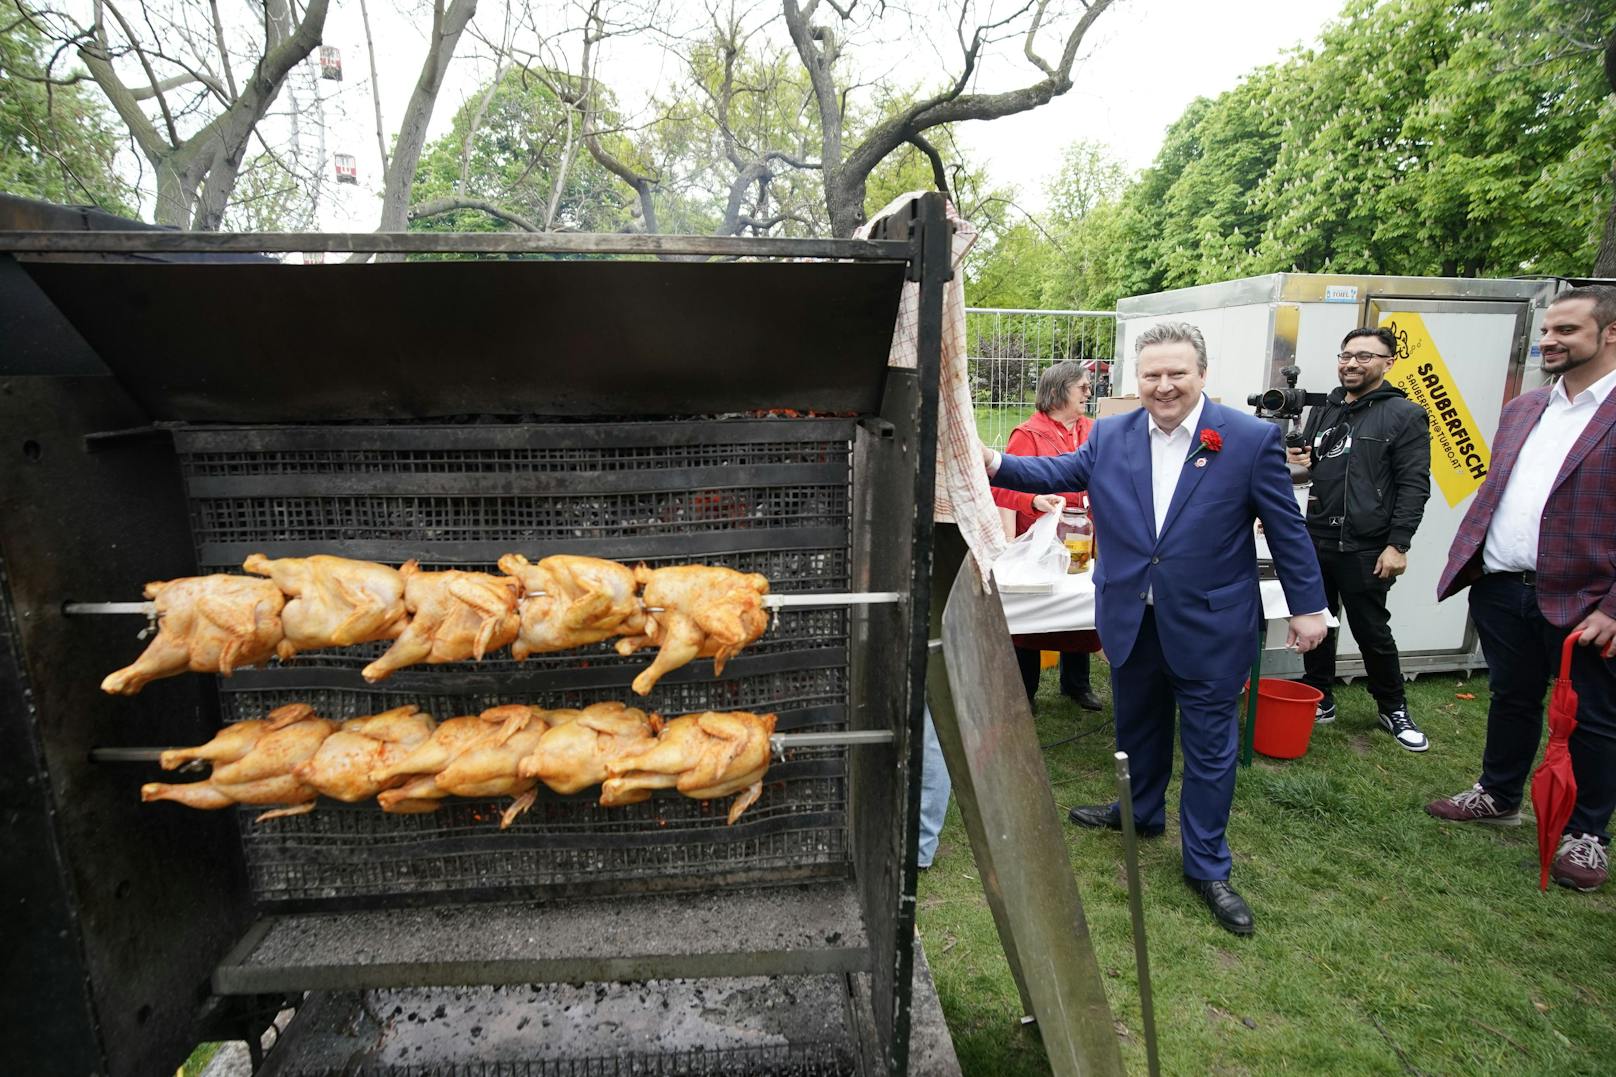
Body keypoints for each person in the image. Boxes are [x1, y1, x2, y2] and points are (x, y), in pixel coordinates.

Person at [982, 321, 1327, 935]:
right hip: (1129, 617)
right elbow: (1053, 475)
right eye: (1151, 375)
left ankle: (1206, 865)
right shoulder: (1110, 435)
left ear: (1202, 374)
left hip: (1211, 625)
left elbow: (1286, 527)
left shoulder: (1247, 439)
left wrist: (1308, 607)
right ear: (1135, 379)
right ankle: (1140, 812)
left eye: (1177, 374)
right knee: (1136, 724)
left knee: (1210, 749)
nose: (1164, 386)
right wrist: (992, 461)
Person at [1427, 285, 1616, 892]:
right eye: (1547, 329)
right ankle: (1500, 793)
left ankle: (1587, 834)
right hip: (1505, 587)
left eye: (1567, 331)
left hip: (1587, 598)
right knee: (1511, 697)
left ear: (1609, 335)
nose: (1549, 340)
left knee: (1592, 718)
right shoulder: (1525, 408)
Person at [1286, 327, 1432, 751]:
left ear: (1388, 363)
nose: (1351, 363)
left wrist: (1398, 544)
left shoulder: (1404, 414)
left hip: (1367, 545)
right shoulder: (1326, 410)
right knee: (1318, 623)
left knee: (1371, 629)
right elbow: (1313, 470)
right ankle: (1321, 696)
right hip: (1316, 538)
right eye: (1346, 355)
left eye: (1365, 356)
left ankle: (1393, 707)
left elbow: (1413, 485)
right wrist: (1299, 463)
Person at [991, 361, 1104, 711]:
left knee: (1082, 613)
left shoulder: (1095, 430)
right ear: (1058, 391)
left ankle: (1077, 685)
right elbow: (1002, 490)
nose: (1089, 393)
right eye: (1082, 387)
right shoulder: (1027, 434)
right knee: (1036, 615)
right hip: (1043, 543)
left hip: (1086, 537)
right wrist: (1034, 500)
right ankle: (1025, 691)